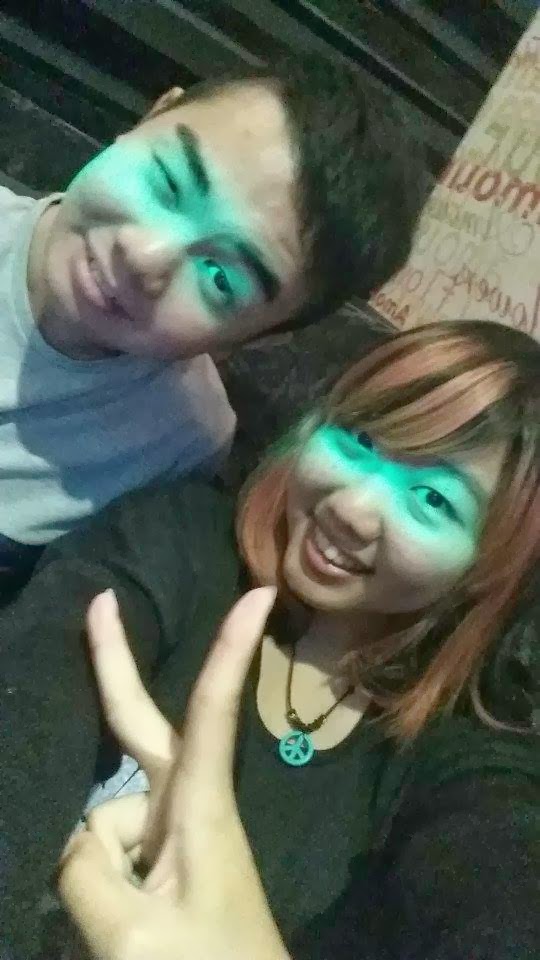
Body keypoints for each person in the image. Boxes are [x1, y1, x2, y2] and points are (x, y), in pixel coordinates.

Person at [1, 319, 538, 959]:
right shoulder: (177, 540)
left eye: (432, 500)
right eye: (362, 439)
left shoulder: (470, 758)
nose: (351, 507)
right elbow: (29, 703)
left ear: (489, 568)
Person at [0, 54, 428, 585]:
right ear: (153, 115)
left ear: (253, 337)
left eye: (220, 278)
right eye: (167, 182)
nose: (145, 256)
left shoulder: (182, 441)